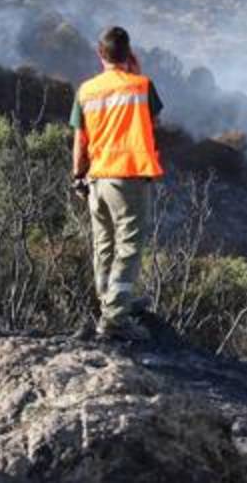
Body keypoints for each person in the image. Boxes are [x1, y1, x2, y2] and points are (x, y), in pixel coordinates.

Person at [70, 26, 165, 342]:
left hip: (96, 178)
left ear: (100, 54)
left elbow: (80, 142)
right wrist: (135, 73)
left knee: (104, 244)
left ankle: (110, 301)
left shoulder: (86, 91)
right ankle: (114, 319)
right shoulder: (141, 86)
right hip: (129, 176)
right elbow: (152, 123)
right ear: (129, 54)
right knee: (129, 246)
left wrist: (78, 177)